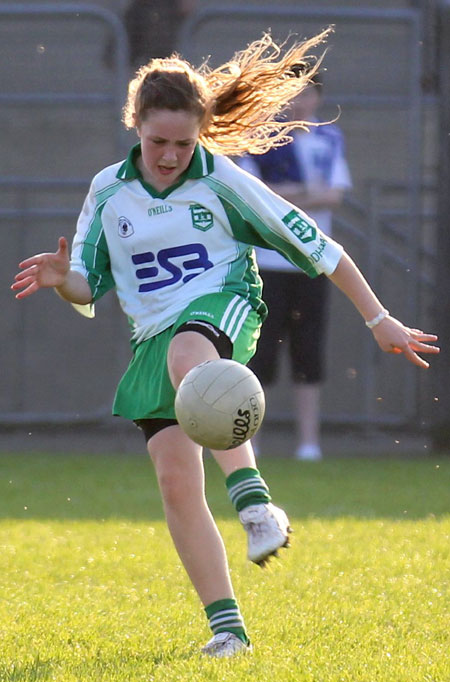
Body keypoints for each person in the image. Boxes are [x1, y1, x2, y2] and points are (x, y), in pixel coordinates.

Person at [11, 29, 439, 658]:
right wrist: (61, 281)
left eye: (184, 143)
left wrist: (379, 320)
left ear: (201, 135)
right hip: (150, 337)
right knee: (177, 484)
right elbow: (89, 285)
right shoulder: (108, 190)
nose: (169, 155)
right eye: (158, 141)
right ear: (135, 125)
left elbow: (323, 250)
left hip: (224, 306)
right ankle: (228, 630)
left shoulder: (224, 181)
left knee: (192, 358)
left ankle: (256, 504)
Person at [238, 71, 352, 460]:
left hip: (313, 263)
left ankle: (309, 443)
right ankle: (251, 442)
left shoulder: (330, 137)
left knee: (308, 353)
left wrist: (292, 197)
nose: (298, 102)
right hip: (267, 262)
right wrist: (307, 194)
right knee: (260, 352)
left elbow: (335, 195)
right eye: (291, 95)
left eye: (306, 94)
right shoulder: (259, 139)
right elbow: (258, 197)